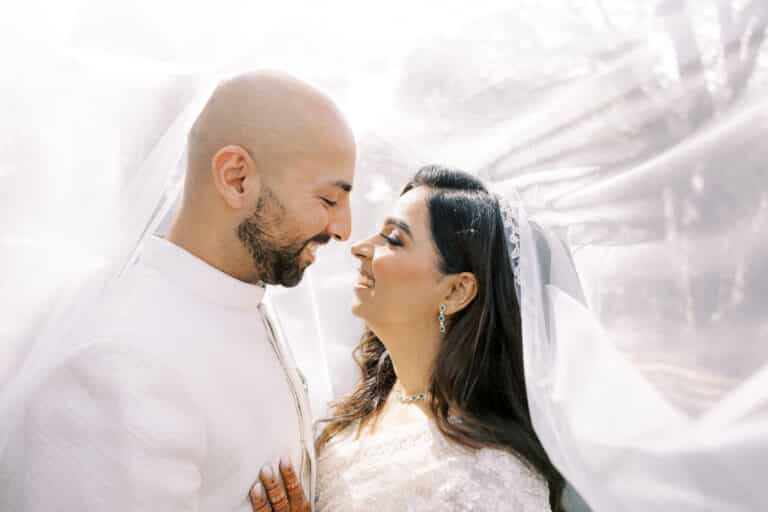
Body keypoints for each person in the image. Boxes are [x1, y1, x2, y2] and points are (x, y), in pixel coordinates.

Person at [0, 70, 356, 511]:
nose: (344, 230)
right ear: (236, 178)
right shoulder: (121, 364)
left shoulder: (246, 301)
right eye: (328, 201)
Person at [251, 165, 564, 511]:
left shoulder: (495, 479)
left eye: (394, 239)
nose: (360, 248)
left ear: (457, 290)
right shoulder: (362, 402)